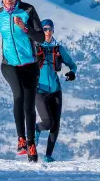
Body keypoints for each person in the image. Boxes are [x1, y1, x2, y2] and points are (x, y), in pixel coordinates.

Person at [0, 0, 45, 162]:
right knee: (18, 95)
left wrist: (24, 27)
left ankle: (30, 143)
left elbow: (41, 38)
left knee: (29, 106)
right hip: (9, 65)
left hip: (30, 65)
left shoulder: (28, 10)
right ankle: (20, 137)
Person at [34, 19, 77, 163]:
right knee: (47, 123)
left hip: (55, 90)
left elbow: (72, 65)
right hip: (39, 91)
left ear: (53, 31)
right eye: (44, 29)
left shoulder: (58, 49)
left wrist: (72, 72)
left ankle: (48, 155)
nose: (47, 32)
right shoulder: (34, 48)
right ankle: (37, 128)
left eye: (50, 29)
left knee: (56, 124)